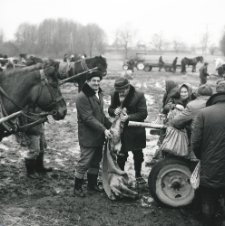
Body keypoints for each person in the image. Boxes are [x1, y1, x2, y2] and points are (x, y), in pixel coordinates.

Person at [191, 80, 225, 226]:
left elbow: (195, 142)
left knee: (209, 196)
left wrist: (203, 157)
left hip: (211, 163)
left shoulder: (204, 113)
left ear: (215, 93)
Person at [74, 70, 112, 197]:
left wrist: (110, 126)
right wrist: (104, 130)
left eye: (98, 80)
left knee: (96, 161)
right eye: (93, 81)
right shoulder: (82, 97)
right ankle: (77, 187)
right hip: (88, 135)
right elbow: (88, 118)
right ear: (87, 82)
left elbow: (100, 115)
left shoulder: (98, 94)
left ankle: (92, 184)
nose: (96, 83)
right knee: (84, 161)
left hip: (98, 134)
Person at [108, 77, 148, 185]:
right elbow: (110, 109)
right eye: (118, 91)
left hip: (135, 131)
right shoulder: (114, 94)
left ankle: (138, 176)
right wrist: (113, 111)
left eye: (122, 91)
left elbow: (143, 113)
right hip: (121, 131)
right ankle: (121, 175)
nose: (120, 93)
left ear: (128, 87)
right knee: (121, 155)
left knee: (138, 154)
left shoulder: (139, 95)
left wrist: (128, 117)